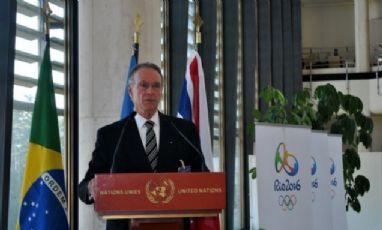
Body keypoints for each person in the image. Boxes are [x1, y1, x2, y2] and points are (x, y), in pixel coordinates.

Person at [78, 62, 207, 230]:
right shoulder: (111, 135)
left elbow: (202, 176)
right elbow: (84, 186)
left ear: (161, 92)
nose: (150, 92)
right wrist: (90, 188)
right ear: (131, 92)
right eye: (143, 86)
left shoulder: (184, 130)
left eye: (156, 86)